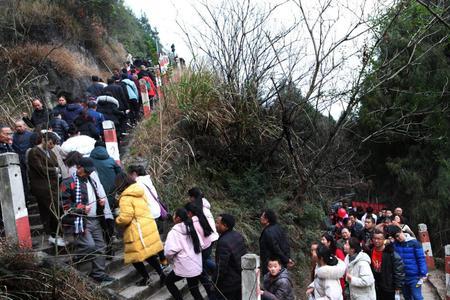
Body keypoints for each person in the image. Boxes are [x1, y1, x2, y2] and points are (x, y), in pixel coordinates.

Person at [60, 158, 114, 283]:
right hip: (80, 220)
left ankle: (98, 274)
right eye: (87, 171)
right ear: (79, 167)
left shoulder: (91, 181)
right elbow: (65, 205)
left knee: (101, 246)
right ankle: (73, 261)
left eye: (90, 171)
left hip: (95, 219)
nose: (89, 173)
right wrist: (82, 208)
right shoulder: (68, 182)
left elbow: (94, 198)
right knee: (90, 246)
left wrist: (101, 203)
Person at [114, 172, 165, 286]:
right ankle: (162, 274)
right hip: (147, 225)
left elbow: (126, 218)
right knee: (149, 254)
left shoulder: (125, 198)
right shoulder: (139, 191)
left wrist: (117, 219)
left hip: (136, 231)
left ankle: (146, 278)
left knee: (134, 257)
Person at [27, 132, 65, 246]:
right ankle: (54, 235)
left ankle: (56, 234)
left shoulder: (51, 152)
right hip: (42, 186)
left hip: (53, 185)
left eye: (53, 145)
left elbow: (57, 165)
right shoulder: (34, 152)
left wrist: (57, 172)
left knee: (57, 208)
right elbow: (40, 168)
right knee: (52, 209)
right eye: (50, 143)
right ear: (43, 139)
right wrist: (54, 171)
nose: (51, 146)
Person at [164, 208, 204, 300]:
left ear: (178, 218)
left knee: (168, 282)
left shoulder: (174, 232)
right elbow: (201, 245)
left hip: (183, 265)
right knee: (194, 289)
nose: (173, 217)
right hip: (195, 264)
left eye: (174, 215)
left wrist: (169, 260)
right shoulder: (192, 227)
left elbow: (169, 252)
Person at [185, 202, 216, 298]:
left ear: (189, 213)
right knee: (205, 264)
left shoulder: (192, 223)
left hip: (202, 249)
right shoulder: (201, 218)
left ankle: (211, 294)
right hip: (208, 245)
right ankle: (217, 269)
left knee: (202, 274)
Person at [388, 225, 428, 300]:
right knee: (407, 297)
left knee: (417, 297)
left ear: (401, 231)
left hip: (415, 277)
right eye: (395, 237)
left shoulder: (415, 243)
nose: (398, 238)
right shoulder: (394, 245)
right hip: (402, 277)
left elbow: (421, 259)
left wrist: (423, 273)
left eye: (398, 235)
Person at [214, 213, 247, 300]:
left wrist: (215, 282)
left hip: (229, 283)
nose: (215, 225)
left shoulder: (223, 242)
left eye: (217, 223)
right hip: (239, 278)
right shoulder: (237, 235)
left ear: (225, 225)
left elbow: (221, 267)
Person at [370, 229, 404, 300]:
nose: (376, 241)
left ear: (384, 239)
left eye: (379, 239)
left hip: (388, 286)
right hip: (375, 285)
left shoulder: (391, 253)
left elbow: (399, 271)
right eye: (375, 238)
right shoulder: (370, 251)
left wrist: (397, 287)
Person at [259, 209, 294, 275]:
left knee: (273, 284)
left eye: (262, 216)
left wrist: (286, 259)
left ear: (267, 219)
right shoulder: (278, 228)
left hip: (272, 265)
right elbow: (286, 245)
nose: (261, 217)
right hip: (280, 264)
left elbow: (275, 248)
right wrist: (287, 258)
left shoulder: (268, 232)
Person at [90, 141, 122, 209]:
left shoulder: (89, 160)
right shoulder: (111, 160)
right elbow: (120, 173)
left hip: (95, 190)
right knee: (111, 207)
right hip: (111, 189)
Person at [12, 121, 33, 195]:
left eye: (20, 126)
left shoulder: (31, 135)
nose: (18, 128)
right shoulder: (13, 136)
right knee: (22, 177)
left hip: (29, 158)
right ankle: (25, 193)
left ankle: (33, 191)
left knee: (32, 175)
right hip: (18, 159)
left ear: (24, 126)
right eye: (17, 127)